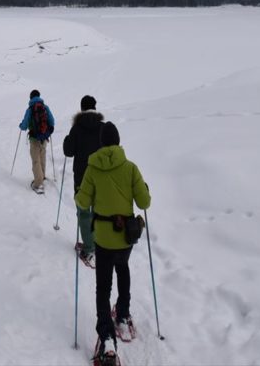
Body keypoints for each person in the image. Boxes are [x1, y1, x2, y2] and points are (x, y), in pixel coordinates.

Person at [75, 122, 151, 363]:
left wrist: (81, 191)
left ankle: (107, 338)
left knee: (103, 287)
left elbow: (82, 201)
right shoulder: (130, 168)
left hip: (103, 238)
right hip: (125, 236)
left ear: (101, 142)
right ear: (118, 141)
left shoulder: (93, 168)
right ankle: (123, 313)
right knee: (124, 270)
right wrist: (143, 189)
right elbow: (144, 202)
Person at [62, 94, 104, 265]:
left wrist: (67, 140)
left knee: (84, 212)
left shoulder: (77, 128)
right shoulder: (103, 127)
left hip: (81, 177)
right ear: (95, 107)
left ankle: (89, 248)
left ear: (82, 108)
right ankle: (97, 243)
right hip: (101, 177)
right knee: (97, 211)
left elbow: (68, 152)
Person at [18, 89, 55, 193]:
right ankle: (42, 176)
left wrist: (21, 126)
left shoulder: (30, 109)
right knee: (42, 157)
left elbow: (24, 126)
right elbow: (52, 121)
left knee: (35, 160)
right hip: (44, 137)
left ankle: (38, 183)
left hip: (34, 138)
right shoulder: (45, 107)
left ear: (30, 97)